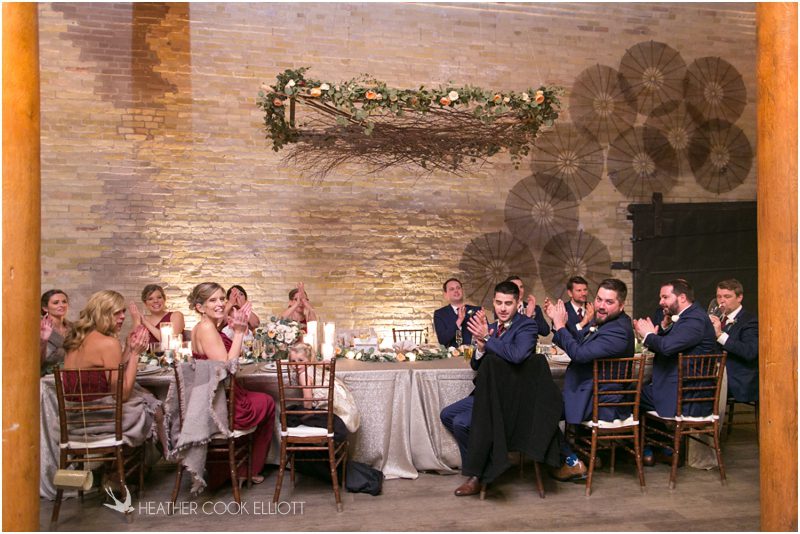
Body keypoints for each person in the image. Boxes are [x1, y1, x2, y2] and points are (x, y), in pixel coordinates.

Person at [442, 281, 561, 496]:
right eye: (498, 303)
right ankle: (488, 461)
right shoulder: (492, 327)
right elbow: (477, 365)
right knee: (448, 415)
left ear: (517, 303)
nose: (503, 308)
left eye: (508, 303)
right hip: (488, 394)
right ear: (493, 303)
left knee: (461, 422)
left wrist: (487, 338)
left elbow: (517, 355)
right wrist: (480, 347)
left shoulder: (526, 326)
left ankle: (477, 474)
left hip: (510, 400)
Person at [544, 278, 635, 481]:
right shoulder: (606, 321)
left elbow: (579, 354)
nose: (601, 306)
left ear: (621, 305)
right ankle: (572, 454)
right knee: (541, 400)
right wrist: (558, 324)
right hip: (588, 392)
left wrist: (560, 326)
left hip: (600, 401)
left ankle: (571, 461)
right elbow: (579, 342)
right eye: (599, 299)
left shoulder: (618, 330)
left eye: (609, 302)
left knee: (541, 410)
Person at [188, 282, 275, 486]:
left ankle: (227, 468)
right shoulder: (207, 328)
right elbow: (227, 368)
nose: (220, 304)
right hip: (222, 406)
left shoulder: (203, 326)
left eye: (222, 298)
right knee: (269, 402)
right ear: (200, 307)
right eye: (213, 300)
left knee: (258, 396)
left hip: (214, 399)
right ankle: (248, 469)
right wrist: (239, 332)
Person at [61, 290, 165, 455]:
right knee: (153, 405)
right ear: (102, 314)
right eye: (117, 313)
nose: (122, 317)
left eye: (123, 312)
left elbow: (112, 369)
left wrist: (128, 348)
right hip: (99, 418)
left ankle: (126, 463)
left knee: (146, 396)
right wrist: (135, 355)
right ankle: (160, 455)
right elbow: (122, 394)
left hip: (74, 417)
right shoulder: (108, 343)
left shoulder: (76, 338)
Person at [633, 279, 717, 466]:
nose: (661, 302)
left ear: (682, 298)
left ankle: (650, 449)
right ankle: (662, 447)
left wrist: (648, 335)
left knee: (632, 394)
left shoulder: (694, 320)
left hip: (688, 396)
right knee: (641, 390)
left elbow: (667, 347)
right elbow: (672, 344)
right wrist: (658, 332)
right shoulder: (689, 317)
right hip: (682, 388)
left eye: (665, 297)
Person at [711, 279, 758, 404]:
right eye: (719, 297)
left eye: (727, 296)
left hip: (738, 380)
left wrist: (720, 335)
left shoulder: (750, 320)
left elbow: (749, 352)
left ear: (739, 297)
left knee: (697, 389)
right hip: (717, 375)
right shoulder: (719, 318)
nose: (722, 301)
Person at [433, 278, 481, 348]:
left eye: (458, 288)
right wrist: (459, 320)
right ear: (446, 294)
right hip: (452, 354)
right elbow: (442, 340)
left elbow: (486, 336)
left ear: (462, 291)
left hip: (474, 352)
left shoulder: (476, 310)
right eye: (452, 289)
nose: (456, 291)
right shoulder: (440, 314)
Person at [40, 289, 72, 375]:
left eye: (64, 302)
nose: (61, 305)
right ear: (45, 308)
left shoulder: (74, 328)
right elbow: (34, 362)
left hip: (70, 376)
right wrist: (43, 339)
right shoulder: (38, 328)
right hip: (44, 377)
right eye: (56, 303)